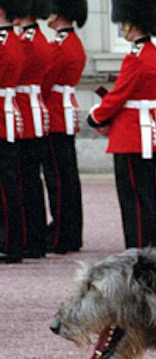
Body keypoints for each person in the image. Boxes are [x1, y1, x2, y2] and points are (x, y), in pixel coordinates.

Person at [87, 0, 156, 249]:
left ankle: (139, 248)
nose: (122, 27)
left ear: (133, 23)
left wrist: (96, 117)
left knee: (133, 198)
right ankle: (151, 246)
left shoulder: (136, 58)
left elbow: (119, 95)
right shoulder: (154, 55)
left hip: (131, 135)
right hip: (144, 132)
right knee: (147, 195)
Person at [41, 0, 86, 254]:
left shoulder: (58, 45)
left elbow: (45, 81)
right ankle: (71, 231)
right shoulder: (75, 43)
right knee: (68, 178)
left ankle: (60, 234)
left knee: (57, 179)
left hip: (55, 114)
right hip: (66, 112)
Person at [14, 0, 53, 259]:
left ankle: (29, 237)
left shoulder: (26, 42)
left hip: (24, 115)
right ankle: (35, 236)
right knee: (31, 181)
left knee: (24, 181)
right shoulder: (40, 38)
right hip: (34, 112)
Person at [0, 0, 26, 264]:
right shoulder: (14, 40)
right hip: (7, 115)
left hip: (1, 117)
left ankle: (8, 243)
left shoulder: (4, 43)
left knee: (6, 186)